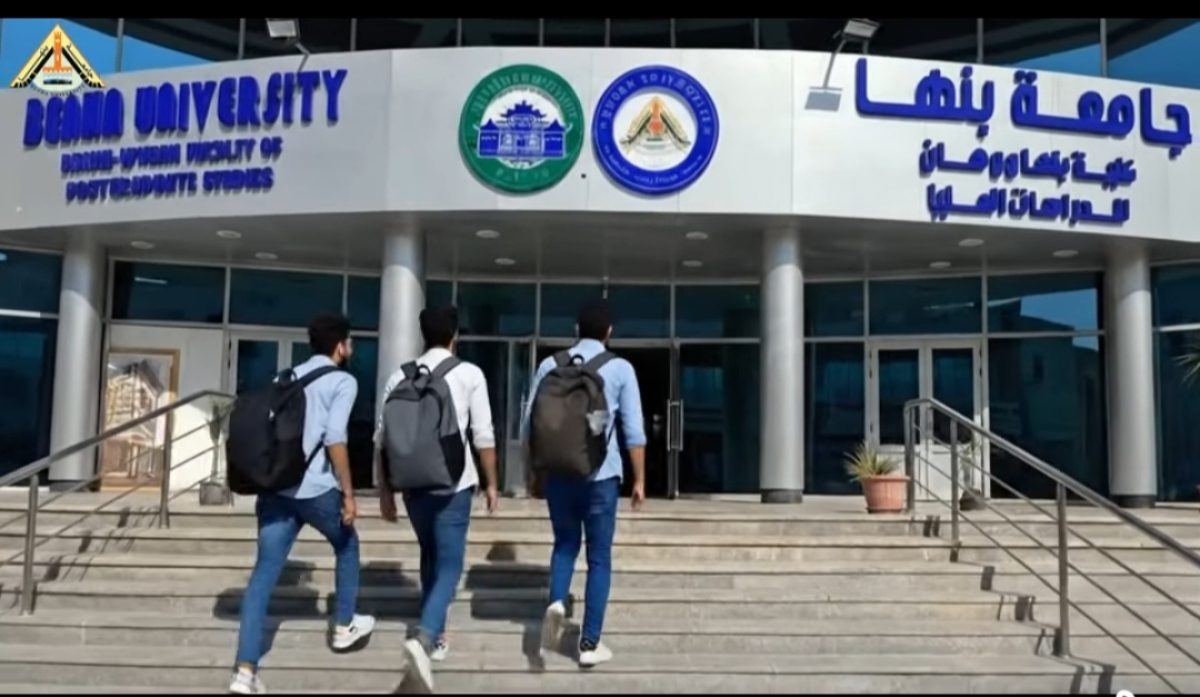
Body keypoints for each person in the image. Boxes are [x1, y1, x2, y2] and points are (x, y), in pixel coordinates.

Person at [230, 314, 375, 695]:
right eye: (350, 341)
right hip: (315, 490)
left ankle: (245, 671)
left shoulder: (288, 376)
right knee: (347, 544)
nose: (351, 347)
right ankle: (343, 625)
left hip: (276, 489)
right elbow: (335, 438)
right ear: (340, 346)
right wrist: (348, 493)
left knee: (263, 575)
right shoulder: (342, 381)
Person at [376, 304, 499, 693]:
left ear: (422, 334)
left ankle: (438, 635)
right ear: (455, 335)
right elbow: (483, 435)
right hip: (453, 484)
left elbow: (382, 438)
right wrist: (492, 482)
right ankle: (426, 635)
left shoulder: (400, 376)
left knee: (430, 553)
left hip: (412, 485)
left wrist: (384, 490)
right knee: (450, 565)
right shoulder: (469, 374)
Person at [522, 298, 645, 668]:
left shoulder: (550, 365)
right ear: (609, 332)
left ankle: (557, 602)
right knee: (599, 557)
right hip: (600, 476)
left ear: (576, 330)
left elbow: (530, 426)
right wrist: (639, 479)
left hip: (558, 474)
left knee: (564, 545)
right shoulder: (620, 368)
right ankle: (589, 643)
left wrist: (534, 474)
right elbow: (634, 431)